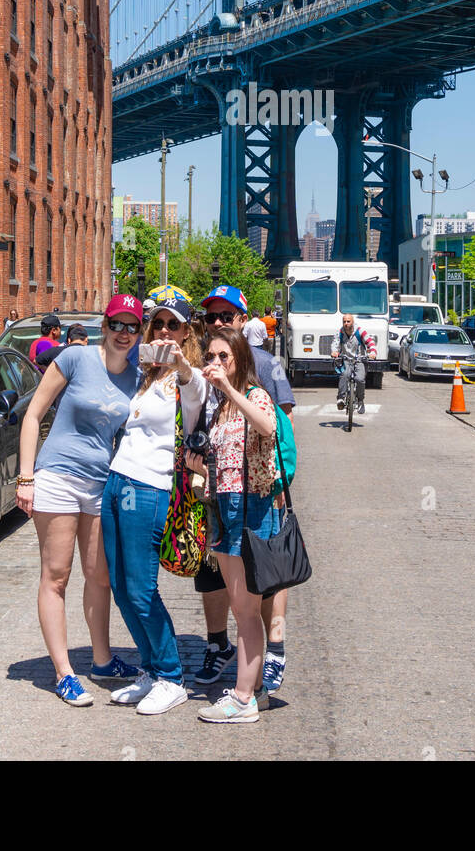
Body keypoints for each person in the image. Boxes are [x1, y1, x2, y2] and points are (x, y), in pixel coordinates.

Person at [15, 296, 146, 707]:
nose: (123, 333)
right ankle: (64, 672)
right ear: (103, 326)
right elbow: (34, 414)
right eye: (117, 324)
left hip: (100, 484)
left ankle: (102, 660)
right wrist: (26, 476)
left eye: (132, 327)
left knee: (99, 575)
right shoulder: (75, 357)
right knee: (57, 575)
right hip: (56, 478)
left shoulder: (137, 377)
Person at [101, 293, 208, 715]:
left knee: (143, 589)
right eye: (158, 324)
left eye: (173, 325)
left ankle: (171, 675)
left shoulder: (188, 378)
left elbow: (194, 387)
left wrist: (180, 363)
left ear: (187, 332)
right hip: (117, 480)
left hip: (149, 488)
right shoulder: (145, 375)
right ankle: (149, 669)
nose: (164, 331)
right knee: (121, 587)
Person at [191, 285, 296, 699]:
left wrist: (283, 480)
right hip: (221, 501)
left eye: (225, 315)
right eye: (210, 316)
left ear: (241, 318)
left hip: (259, 496)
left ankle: (273, 650)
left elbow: (277, 427)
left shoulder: (264, 370)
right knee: (225, 583)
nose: (217, 322)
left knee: (264, 579)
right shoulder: (207, 380)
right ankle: (221, 646)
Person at [186, 327, 277, 723]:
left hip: (251, 509)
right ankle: (254, 689)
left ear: (240, 358)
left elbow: (267, 427)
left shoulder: (253, 395)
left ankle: (242, 700)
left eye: (224, 356)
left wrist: (231, 389)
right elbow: (222, 461)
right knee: (243, 608)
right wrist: (199, 468)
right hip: (224, 509)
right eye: (210, 357)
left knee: (245, 610)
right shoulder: (219, 406)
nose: (215, 363)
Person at [331, 313, 376, 415]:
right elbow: (335, 343)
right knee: (344, 375)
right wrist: (334, 352)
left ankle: (360, 401)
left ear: (352, 322)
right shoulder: (340, 332)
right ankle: (341, 399)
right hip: (346, 360)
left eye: (348, 321)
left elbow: (370, 342)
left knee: (360, 379)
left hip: (359, 360)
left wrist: (372, 352)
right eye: (344, 321)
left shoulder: (360, 331)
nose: (346, 323)